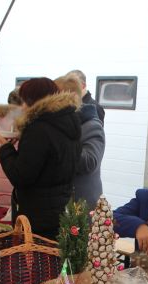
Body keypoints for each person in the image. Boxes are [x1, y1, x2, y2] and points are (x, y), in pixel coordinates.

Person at [0, 78, 81, 240]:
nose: (22, 106)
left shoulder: (38, 128)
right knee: (55, 253)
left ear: (33, 101)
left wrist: (6, 149)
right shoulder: (68, 122)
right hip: (61, 210)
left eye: (24, 101)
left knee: (35, 256)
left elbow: (20, 176)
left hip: (37, 217)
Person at [56, 75, 105, 208]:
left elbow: (89, 162)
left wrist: (59, 142)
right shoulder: (61, 124)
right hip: (62, 201)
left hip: (82, 205)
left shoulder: (92, 125)